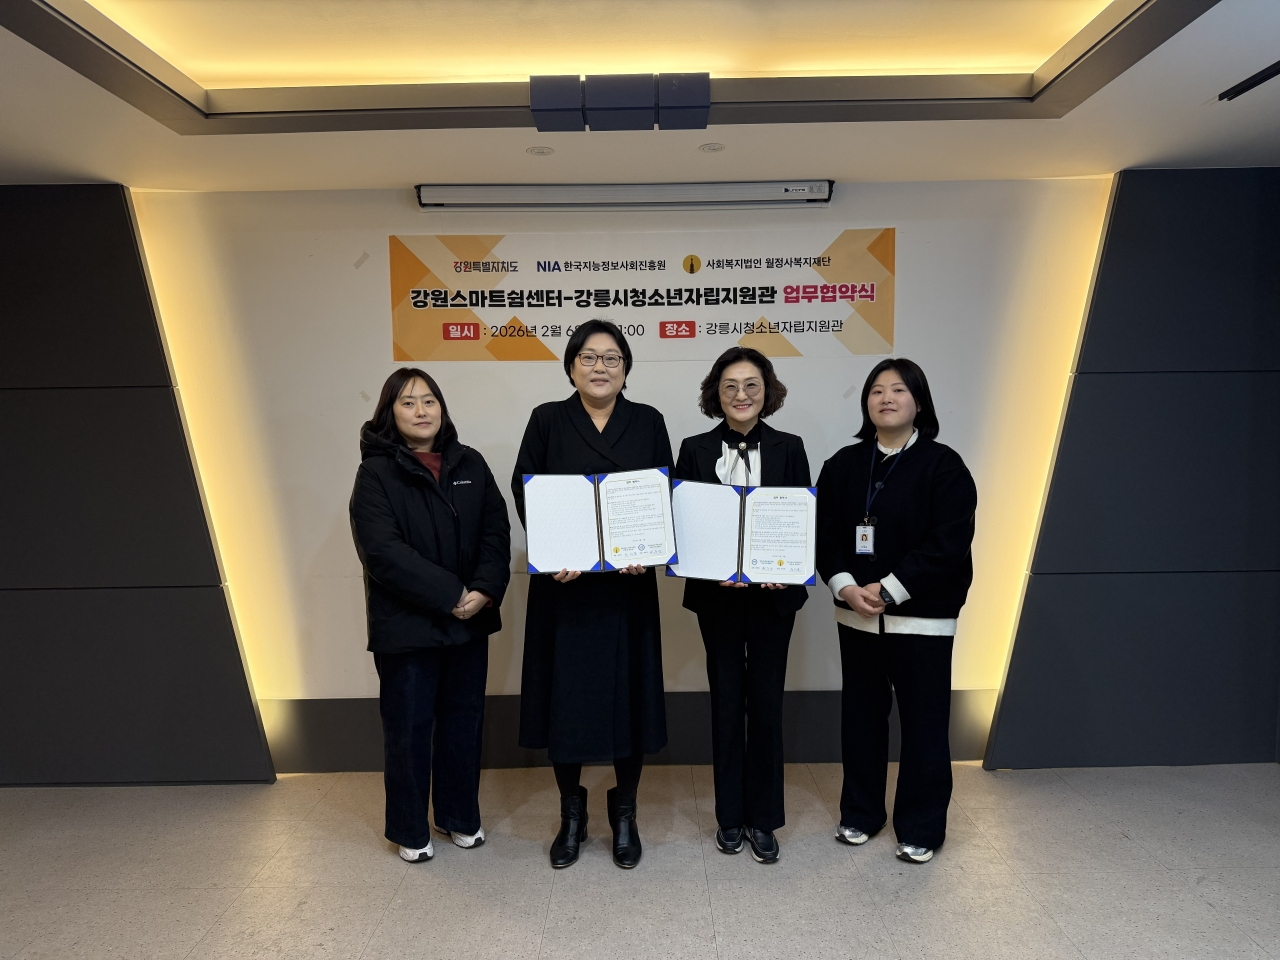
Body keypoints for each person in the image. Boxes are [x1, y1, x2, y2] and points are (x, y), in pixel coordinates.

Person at [511, 319, 674, 870]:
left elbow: (662, 493)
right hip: (566, 588)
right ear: (571, 366)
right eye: (588, 356)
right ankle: (571, 814)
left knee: (630, 701)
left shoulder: (648, 420)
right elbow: (525, 488)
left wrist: (649, 548)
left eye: (611, 358)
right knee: (567, 702)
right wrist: (553, 549)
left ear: (626, 368)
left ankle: (625, 812)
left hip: (628, 588)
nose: (599, 367)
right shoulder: (547, 419)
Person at [816, 358, 976, 864]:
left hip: (922, 619)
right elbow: (823, 536)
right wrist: (844, 586)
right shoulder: (843, 465)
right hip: (856, 616)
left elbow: (949, 543)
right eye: (877, 391)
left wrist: (888, 590)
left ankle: (922, 826)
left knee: (924, 725)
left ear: (919, 402)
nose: (886, 398)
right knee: (861, 720)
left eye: (899, 390)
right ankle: (861, 814)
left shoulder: (944, 465)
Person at [350, 367, 511, 864]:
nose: (421, 411)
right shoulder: (376, 473)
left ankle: (459, 816)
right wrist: (451, 592)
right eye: (408, 402)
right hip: (407, 627)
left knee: (464, 723)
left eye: (429, 401)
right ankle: (409, 828)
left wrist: (484, 589)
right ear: (390, 413)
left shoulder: (470, 462)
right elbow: (382, 551)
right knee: (409, 729)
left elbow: (496, 531)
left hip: (469, 620)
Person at [674, 347, 810, 864]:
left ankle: (765, 818)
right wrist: (711, 568)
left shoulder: (790, 447)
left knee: (768, 706)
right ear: (716, 392)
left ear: (767, 390)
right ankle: (729, 816)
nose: (741, 395)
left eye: (751, 384)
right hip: (719, 600)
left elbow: (800, 519)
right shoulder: (693, 448)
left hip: (774, 600)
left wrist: (784, 568)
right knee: (727, 705)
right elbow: (684, 523)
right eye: (730, 385)